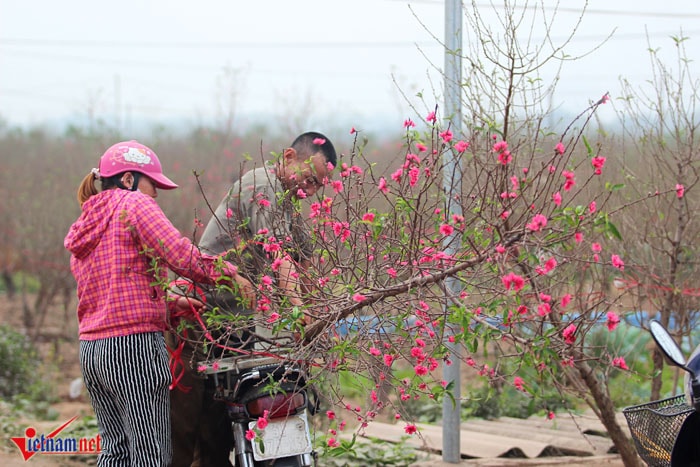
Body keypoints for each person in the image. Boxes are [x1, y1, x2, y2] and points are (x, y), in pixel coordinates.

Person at [64, 140, 256, 467]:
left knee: (116, 452)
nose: (156, 194)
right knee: (152, 456)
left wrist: (166, 303)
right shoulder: (134, 204)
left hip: (93, 351)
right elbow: (182, 255)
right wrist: (230, 274)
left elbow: (109, 290)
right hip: (133, 348)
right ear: (129, 179)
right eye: (153, 184)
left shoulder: (86, 223)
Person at [167, 131, 337, 467]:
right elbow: (280, 258)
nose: (312, 190)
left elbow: (304, 259)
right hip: (198, 316)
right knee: (187, 430)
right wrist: (300, 313)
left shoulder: (289, 201)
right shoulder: (262, 187)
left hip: (234, 325)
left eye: (319, 185)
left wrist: (323, 310)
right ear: (289, 157)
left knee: (221, 428)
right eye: (309, 179)